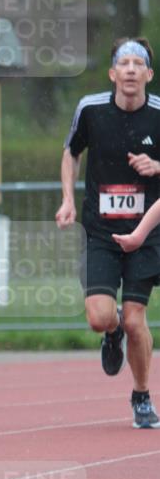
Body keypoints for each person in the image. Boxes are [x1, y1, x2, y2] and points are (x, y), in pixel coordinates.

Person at [56, 37, 160, 429]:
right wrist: (67, 198)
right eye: (124, 63)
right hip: (100, 231)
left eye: (139, 63)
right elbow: (71, 152)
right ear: (113, 73)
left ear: (149, 74)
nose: (131, 69)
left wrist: (157, 166)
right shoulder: (91, 109)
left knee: (137, 320)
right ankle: (111, 331)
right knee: (101, 318)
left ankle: (142, 396)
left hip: (148, 231)